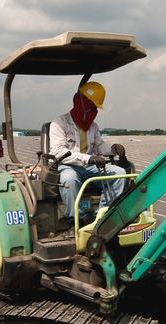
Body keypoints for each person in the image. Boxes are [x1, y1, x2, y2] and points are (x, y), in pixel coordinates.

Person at [47, 81, 128, 221]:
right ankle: (75, 220)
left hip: (89, 166)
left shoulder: (93, 126)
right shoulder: (59, 123)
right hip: (67, 165)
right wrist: (88, 158)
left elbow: (99, 146)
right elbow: (59, 152)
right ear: (80, 102)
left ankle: (103, 216)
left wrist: (112, 148)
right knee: (69, 180)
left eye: (94, 107)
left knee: (120, 173)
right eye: (90, 105)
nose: (92, 110)